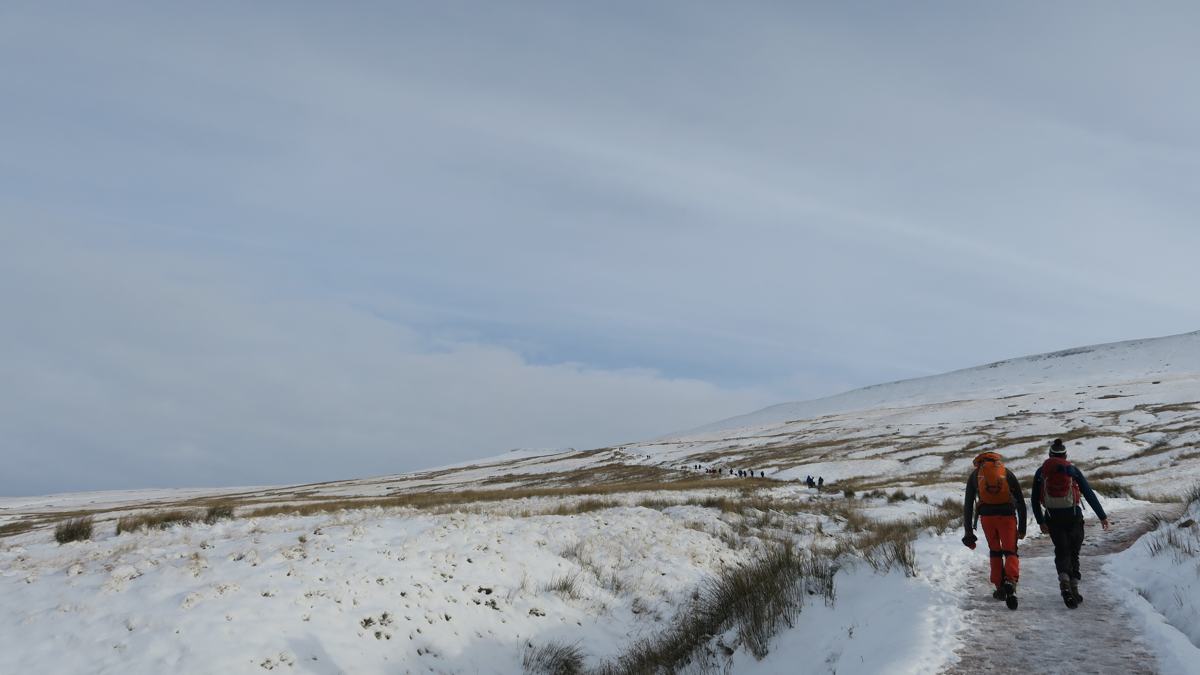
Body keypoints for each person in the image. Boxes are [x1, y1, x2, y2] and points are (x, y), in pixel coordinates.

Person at [1031, 438, 1109, 609]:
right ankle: (1073, 587)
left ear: (1050, 455)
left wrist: (1041, 521)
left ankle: (1064, 583)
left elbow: (1034, 500)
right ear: (1065, 455)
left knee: (1062, 550)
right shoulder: (1072, 470)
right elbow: (1088, 493)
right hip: (1073, 517)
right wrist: (1102, 516)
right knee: (1074, 552)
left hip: (1053, 518)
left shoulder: (1041, 472)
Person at [962, 451, 1027, 609]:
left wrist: (968, 531)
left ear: (979, 462)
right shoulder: (1006, 472)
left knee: (995, 551)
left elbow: (968, 505)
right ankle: (1010, 581)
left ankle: (999, 587)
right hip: (1007, 516)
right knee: (1010, 550)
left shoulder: (975, 476)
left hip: (987, 518)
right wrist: (1023, 526)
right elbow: (1020, 501)